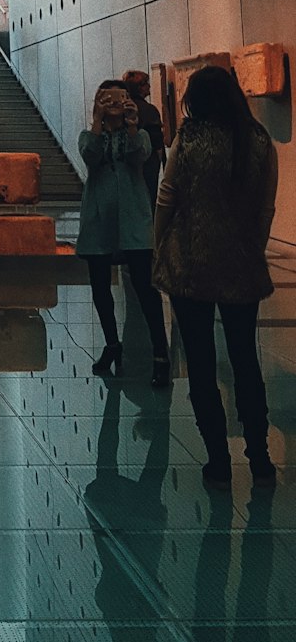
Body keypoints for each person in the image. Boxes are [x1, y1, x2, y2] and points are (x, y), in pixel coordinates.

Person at [153, 65, 278, 490]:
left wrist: (159, 245)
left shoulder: (189, 139)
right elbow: (265, 209)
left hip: (191, 263)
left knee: (202, 364)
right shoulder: (259, 140)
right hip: (240, 265)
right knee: (245, 359)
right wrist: (251, 250)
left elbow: (166, 199)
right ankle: (260, 459)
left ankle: (218, 461)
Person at [77, 80, 170, 386]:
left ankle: (160, 352)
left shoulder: (138, 134)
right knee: (100, 288)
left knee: (145, 287)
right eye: (108, 98)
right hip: (99, 219)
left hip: (133, 218)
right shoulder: (89, 136)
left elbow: (139, 156)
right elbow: (89, 156)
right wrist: (97, 120)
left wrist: (131, 124)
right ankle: (112, 344)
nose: (115, 103)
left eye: (121, 98)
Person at [122, 68, 166, 208]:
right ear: (140, 87)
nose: (150, 86)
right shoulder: (149, 110)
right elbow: (157, 141)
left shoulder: (120, 109)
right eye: (146, 83)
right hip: (148, 162)